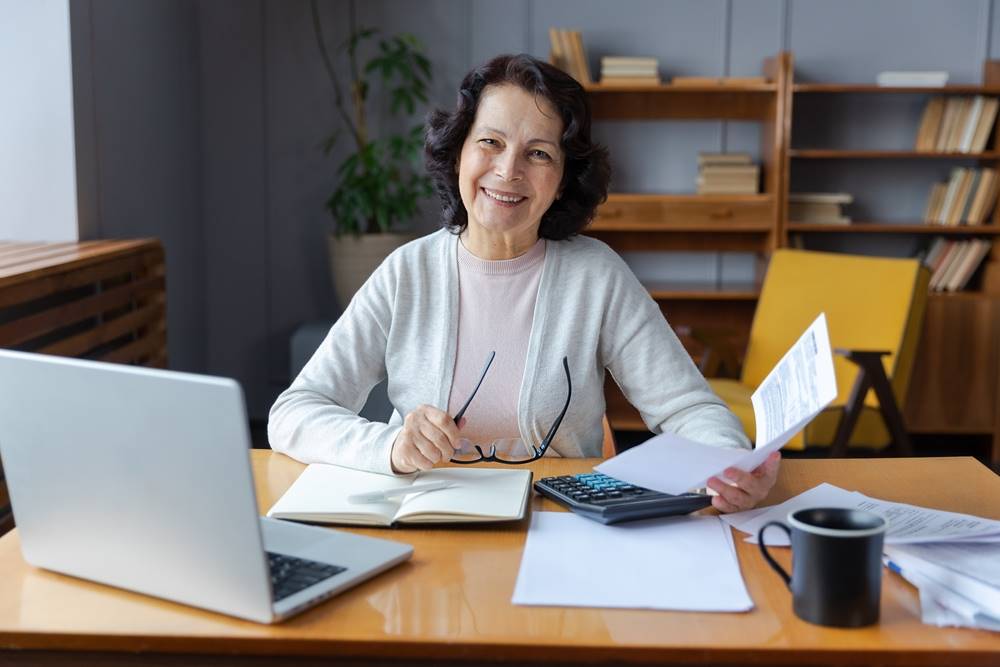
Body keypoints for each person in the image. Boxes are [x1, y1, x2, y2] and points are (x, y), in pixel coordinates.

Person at [269, 54, 779, 513]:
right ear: (458, 153)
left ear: (561, 180)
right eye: (490, 142)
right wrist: (391, 447)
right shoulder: (407, 273)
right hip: (426, 529)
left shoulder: (596, 276)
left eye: (538, 154)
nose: (507, 170)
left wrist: (732, 465)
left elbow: (689, 408)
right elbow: (295, 413)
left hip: (559, 528)